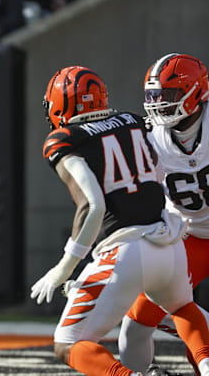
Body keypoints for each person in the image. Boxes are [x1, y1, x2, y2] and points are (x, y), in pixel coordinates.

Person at [32, 65, 209, 376]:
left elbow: (93, 206)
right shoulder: (135, 122)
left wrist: (64, 268)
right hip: (169, 242)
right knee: (182, 309)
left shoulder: (64, 139)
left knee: (67, 342)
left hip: (125, 250)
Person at [118, 54, 209, 375]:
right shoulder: (146, 133)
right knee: (134, 328)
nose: (159, 104)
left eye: (168, 95)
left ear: (196, 92)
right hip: (189, 236)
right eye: (153, 96)